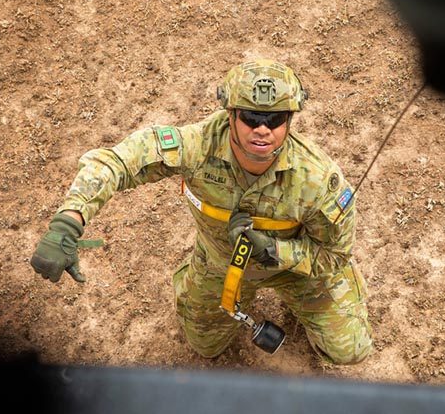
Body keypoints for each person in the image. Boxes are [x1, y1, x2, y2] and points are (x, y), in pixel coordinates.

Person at [30, 59, 372, 364]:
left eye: (276, 118)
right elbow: (117, 161)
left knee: (349, 350)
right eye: (251, 117)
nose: (262, 129)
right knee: (205, 347)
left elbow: (335, 255)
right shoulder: (197, 146)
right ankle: (193, 279)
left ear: (290, 120)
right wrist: (69, 221)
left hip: (296, 269)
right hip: (220, 264)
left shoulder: (318, 180)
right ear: (231, 114)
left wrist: (276, 251)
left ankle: (310, 303)